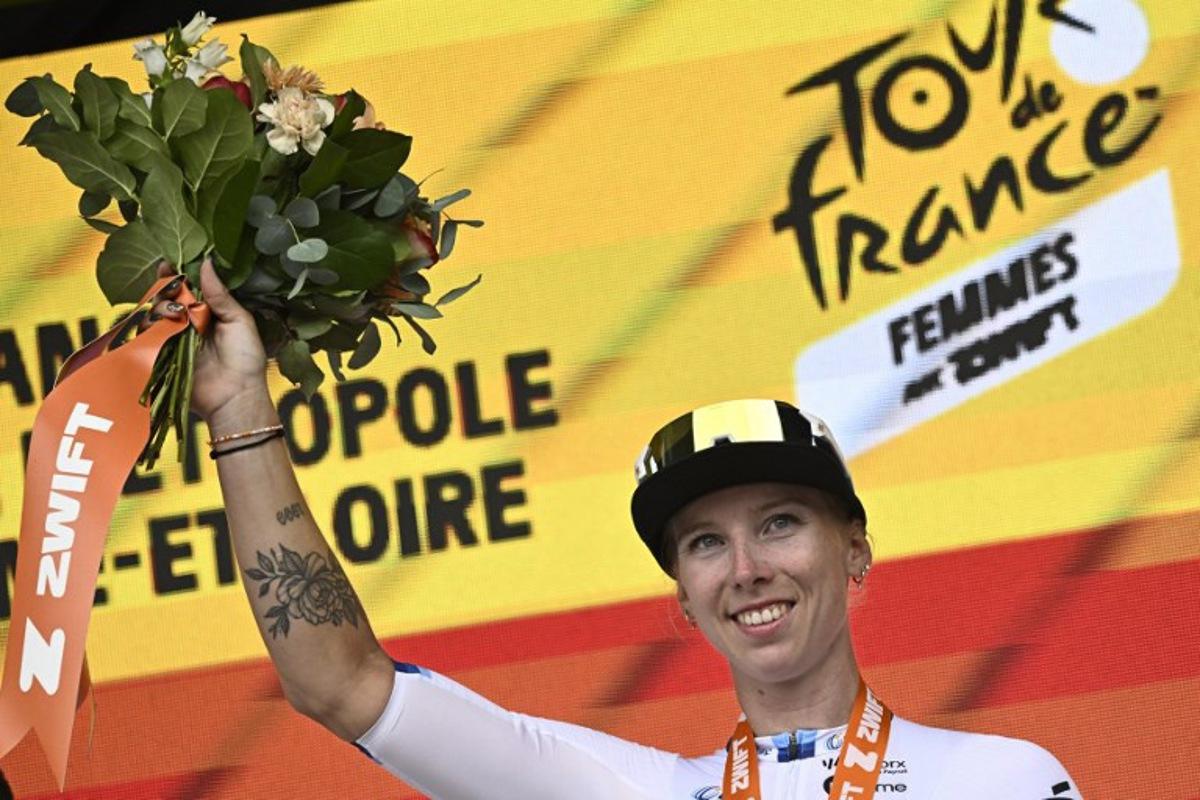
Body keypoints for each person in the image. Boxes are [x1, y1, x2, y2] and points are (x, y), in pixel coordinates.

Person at [143, 260, 1083, 799]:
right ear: (685, 598)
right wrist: (239, 407)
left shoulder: (1004, 782)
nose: (747, 568)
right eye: (705, 543)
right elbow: (340, 683)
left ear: (856, 550)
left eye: (780, 523)